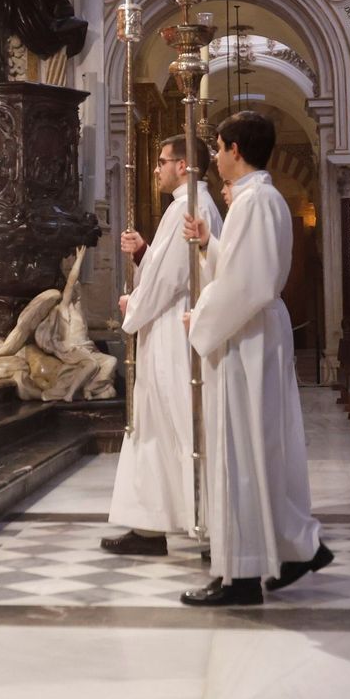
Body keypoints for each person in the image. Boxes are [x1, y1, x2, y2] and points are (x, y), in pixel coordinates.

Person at [180, 111, 327, 606]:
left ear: (236, 150)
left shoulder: (257, 200)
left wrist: (200, 318)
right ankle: (271, 555)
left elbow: (252, 284)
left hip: (247, 336)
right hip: (247, 332)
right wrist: (209, 243)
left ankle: (249, 571)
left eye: (219, 148)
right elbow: (243, 268)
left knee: (243, 448)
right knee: (244, 448)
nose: (216, 158)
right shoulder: (253, 201)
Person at [102, 135, 223, 557]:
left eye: (162, 160)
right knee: (153, 427)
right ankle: (150, 524)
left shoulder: (188, 206)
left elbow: (171, 281)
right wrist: (143, 254)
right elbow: (168, 268)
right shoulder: (185, 206)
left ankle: (210, 528)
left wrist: (132, 307)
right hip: (166, 328)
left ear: (185, 165)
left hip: (176, 332)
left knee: (181, 426)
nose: (156, 168)